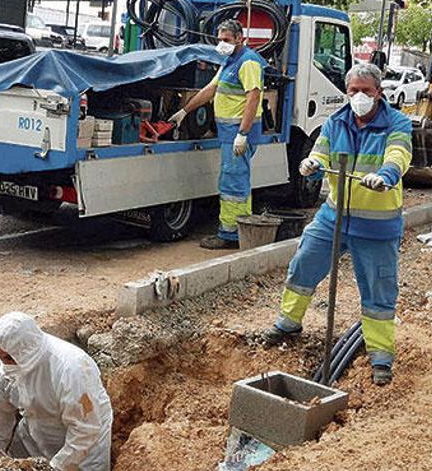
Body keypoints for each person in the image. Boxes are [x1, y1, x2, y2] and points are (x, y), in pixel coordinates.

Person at [260, 63, 413, 386]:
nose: (359, 97)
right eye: (354, 91)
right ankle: (288, 323)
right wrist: (312, 165)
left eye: (366, 92)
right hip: (334, 217)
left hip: (376, 226)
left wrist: (386, 175)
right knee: (303, 264)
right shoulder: (336, 121)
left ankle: (381, 356)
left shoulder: (396, 123)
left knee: (378, 290)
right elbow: (322, 154)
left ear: (379, 93)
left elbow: (398, 155)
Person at [167, 19, 267, 249]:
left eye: (226, 40)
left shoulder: (248, 62)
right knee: (235, 183)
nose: (222, 44)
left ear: (240, 38)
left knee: (232, 185)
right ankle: (241, 230)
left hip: (238, 134)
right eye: (219, 40)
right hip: (230, 133)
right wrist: (185, 110)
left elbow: (253, 97)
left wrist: (243, 133)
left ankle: (229, 235)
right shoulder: (229, 61)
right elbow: (211, 89)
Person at [0, 312, 112, 470]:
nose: (3, 363)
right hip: (32, 440)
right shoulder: (3, 366)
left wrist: (55, 467)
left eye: (7, 358)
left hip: (82, 452)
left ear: (22, 353)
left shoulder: (71, 369)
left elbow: (86, 429)